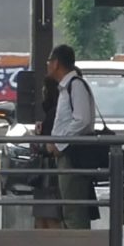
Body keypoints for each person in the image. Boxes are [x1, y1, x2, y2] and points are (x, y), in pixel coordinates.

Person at [46, 44, 98, 230]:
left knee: (74, 209)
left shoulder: (75, 86)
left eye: (49, 61)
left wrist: (59, 143)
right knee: (69, 207)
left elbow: (82, 120)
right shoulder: (66, 87)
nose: (48, 65)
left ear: (56, 63)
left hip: (73, 155)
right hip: (67, 154)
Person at [31, 76, 63, 229]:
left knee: (47, 217)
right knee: (46, 216)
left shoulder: (53, 114)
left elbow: (50, 143)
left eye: (44, 89)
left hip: (48, 173)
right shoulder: (55, 112)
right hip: (50, 172)